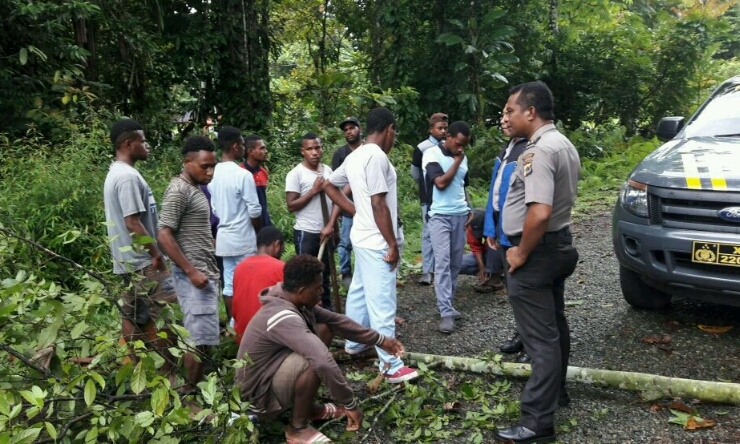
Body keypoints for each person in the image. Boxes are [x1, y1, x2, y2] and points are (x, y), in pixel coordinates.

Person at [235, 254, 408, 443]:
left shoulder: (292, 299)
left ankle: (307, 408)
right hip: (257, 398)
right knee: (314, 359)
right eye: (318, 287)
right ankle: (297, 428)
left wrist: (381, 340)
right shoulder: (283, 316)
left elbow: (336, 320)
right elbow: (322, 361)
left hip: (271, 374)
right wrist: (350, 403)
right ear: (302, 290)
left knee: (325, 327)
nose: (322, 291)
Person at [493, 81, 580, 444]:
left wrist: (521, 252)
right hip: (559, 246)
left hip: (537, 252)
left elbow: (539, 211)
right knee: (554, 327)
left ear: (531, 112)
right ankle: (555, 393)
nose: (507, 116)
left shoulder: (538, 151)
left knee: (539, 339)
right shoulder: (563, 143)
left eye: (511, 110)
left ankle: (536, 423)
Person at [324, 106, 419, 383]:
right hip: (377, 241)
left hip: (362, 238)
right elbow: (379, 203)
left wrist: (353, 211)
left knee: (359, 291)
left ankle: (353, 342)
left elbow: (328, 185)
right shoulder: (376, 156)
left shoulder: (357, 155)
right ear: (389, 129)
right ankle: (389, 364)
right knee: (382, 301)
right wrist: (392, 243)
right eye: (395, 133)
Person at [103, 118, 177, 377]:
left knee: (131, 316)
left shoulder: (119, 173)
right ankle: (170, 373)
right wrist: (156, 254)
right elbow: (133, 222)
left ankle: (134, 372)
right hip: (143, 264)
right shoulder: (126, 178)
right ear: (128, 143)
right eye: (143, 141)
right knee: (165, 317)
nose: (147, 146)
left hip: (127, 262)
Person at [157, 135, 220, 392]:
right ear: (187, 162)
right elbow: (164, 234)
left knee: (203, 335)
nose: (210, 171)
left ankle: (196, 386)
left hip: (204, 272)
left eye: (212, 165)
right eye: (204, 166)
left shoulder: (194, 189)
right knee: (196, 337)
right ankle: (188, 394)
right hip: (194, 276)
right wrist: (191, 271)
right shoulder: (179, 190)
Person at [484, 116, 530, 362]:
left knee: (525, 289)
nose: (503, 120)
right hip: (502, 227)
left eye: (508, 114)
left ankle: (533, 344)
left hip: (518, 230)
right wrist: (490, 228)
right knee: (513, 289)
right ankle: (522, 335)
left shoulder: (531, 149)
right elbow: (494, 189)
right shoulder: (508, 147)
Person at [422, 121, 473, 334]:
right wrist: (456, 161)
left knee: (454, 263)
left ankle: (449, 304)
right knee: (442, 262)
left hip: (459, 215)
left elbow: (461, 184)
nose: (460, 149)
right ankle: (445, 312)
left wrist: (469, 207)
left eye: (464, 146)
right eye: (458, 144)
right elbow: (441, 183)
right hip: (439, 216)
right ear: (448, 137)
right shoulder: (432, 154)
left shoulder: (462, 158)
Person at [208, 126, 262, 322]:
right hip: (244, 237)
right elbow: (254, 210)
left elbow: (214, 209)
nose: (243, 148)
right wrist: (257, 231)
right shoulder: (242, 175)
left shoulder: (212, 174)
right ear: (234, 146)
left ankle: (234, 324)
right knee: (250, 282)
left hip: (224, 238)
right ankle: (251, 322)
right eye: (241, 144)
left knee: (229, 283)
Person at [285, 132, 335, 310]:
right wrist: (313, 191)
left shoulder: (328, 171)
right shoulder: (296, 174)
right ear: (302, 151)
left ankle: (327, 314)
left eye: (317, 148)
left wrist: (332, 225)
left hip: (327, 232)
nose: (314, 152)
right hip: (307, 233)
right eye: (309, 149)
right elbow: (291, 205)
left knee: (325, 276)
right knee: (306, 278)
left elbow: (336, 199)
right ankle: (306, 313)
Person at [411, 112, 448, 285]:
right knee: (427, 233)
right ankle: (427, 270)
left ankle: (442, 270)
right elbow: (415, 173)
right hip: (428, 197)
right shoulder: (421, 148)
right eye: (439, 128)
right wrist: (427, 185)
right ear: (431, 129)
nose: (442, 131)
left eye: (445, 128)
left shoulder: (449, 146)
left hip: (446, 196)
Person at [232, 226, 285, 342]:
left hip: (241, 337)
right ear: (276, 245)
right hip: (268, 339)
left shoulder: (239, 267)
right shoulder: (280, 267)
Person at [332, 117, 363, 288]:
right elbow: (334, 184)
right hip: (346, 207)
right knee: (345, 243)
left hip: (367, 206)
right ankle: (345, 272)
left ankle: (362, 272)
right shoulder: (340, 154)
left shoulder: (368, 150)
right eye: (346, 130)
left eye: (352, 128)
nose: (349, 132)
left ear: (360, 129)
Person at [459, 208, 504, 292]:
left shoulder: (499, 224)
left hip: (503, 256)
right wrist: (481, 268)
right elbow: (476, 247)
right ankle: (487, 274)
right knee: (458, 265)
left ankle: (495, 278)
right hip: (486, 254)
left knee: (494, 247)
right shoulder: (471, 225)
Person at [242, 134, 272, 228]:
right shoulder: (240, 173)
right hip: (246, 224)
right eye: (262, 148)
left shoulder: (263, 172)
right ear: (251, 151)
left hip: (264, 221)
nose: (265, 151)